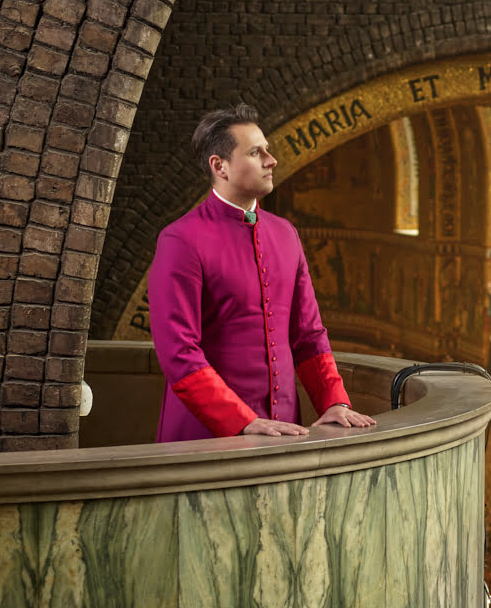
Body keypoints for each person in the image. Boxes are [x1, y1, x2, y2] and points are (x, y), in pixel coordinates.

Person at [148, 103, 377, 441]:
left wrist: (334, 402)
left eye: (267, 151)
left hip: (286, 431)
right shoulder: (180, 240)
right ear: (220, 166)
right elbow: (179, 353)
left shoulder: (286, 234)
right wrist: (241, 419)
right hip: (205, 437)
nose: (271, 160)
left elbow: (308, 335)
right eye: (256, 152)